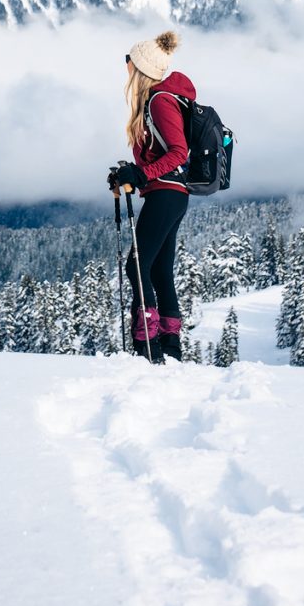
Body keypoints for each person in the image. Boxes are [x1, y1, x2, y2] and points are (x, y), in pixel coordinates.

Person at [108, 31, 195, 363]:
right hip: (169, 193)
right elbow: (159, 154)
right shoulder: (156, 100)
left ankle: (149, 347)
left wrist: (142, 174)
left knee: (136, 267)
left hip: (166, 193)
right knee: (158, 270)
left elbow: (178, 152)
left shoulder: (160, 101)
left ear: (142, 68)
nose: (126, 66)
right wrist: (131, 172)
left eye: (129, 61)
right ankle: (170, 348)